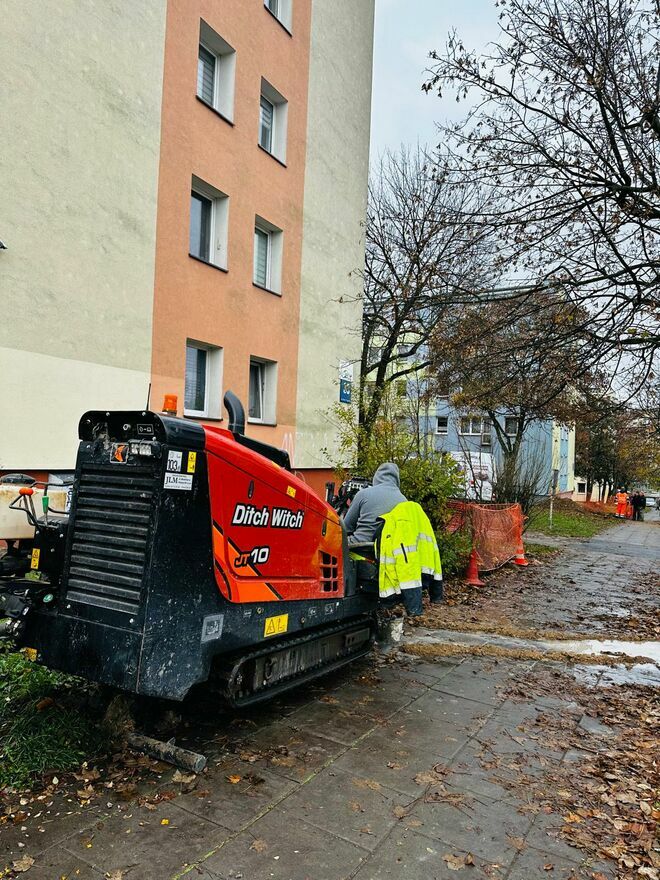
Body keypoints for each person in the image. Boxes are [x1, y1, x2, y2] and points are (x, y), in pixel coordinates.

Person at [343, 462, 407, 545]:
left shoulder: (363, 494)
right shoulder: (404, 501)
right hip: (386, 549)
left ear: (376, 478)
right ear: (397, 480)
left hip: (359, 546)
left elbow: (346, 528)